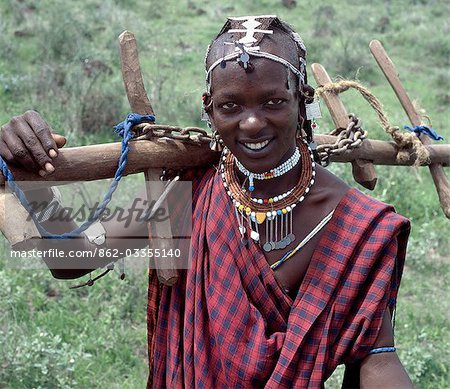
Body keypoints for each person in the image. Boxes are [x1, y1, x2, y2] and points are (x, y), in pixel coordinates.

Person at [0, 15, 413, 388]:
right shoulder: (189, 198)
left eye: (273, 102)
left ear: (301, 100)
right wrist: (33, 174)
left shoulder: (358, 226)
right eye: (229, 106)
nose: (252, 123)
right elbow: (69, 258)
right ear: (209, 110)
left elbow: (376, 357)